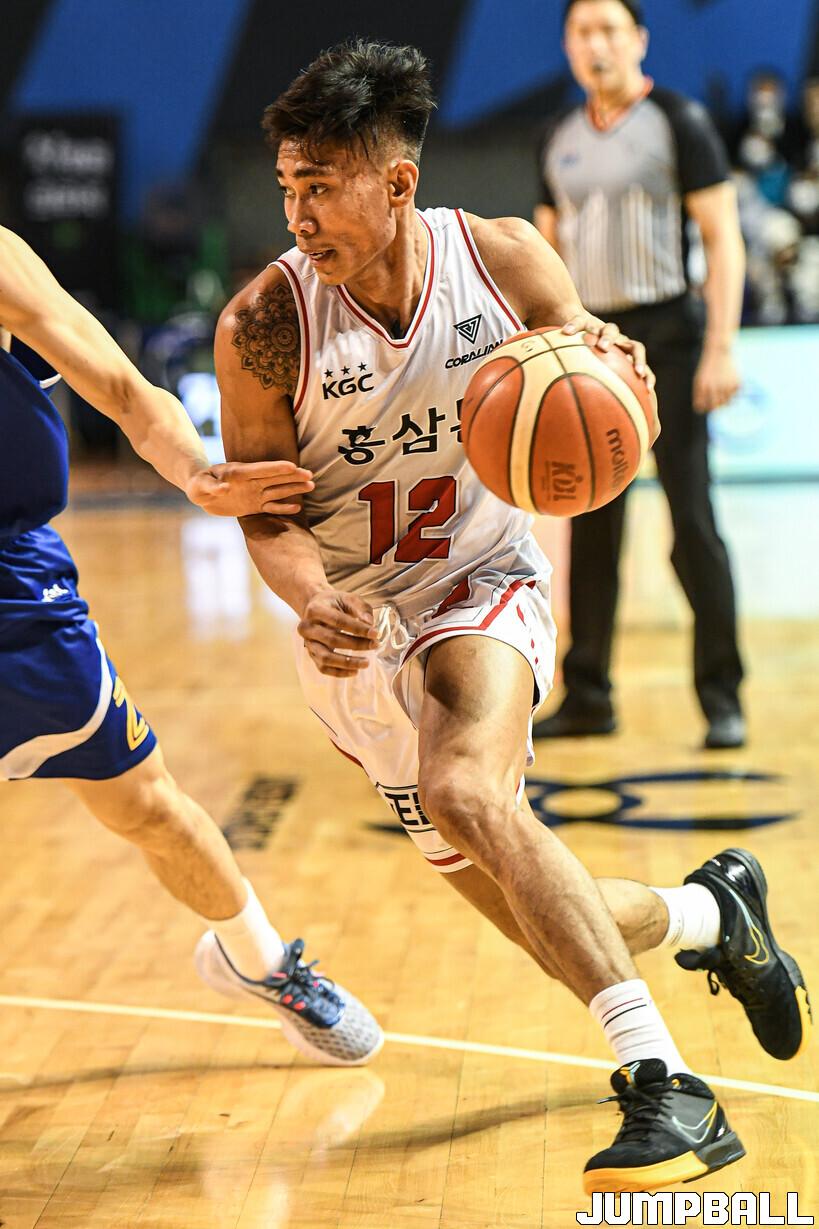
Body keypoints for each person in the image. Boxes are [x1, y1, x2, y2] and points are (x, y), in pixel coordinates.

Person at [215, 40, 809, 1192]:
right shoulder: (265, 327)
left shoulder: (500, 261)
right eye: (287, 187)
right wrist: (313, 596)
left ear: (397, 183)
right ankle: (711, 913)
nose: (297, 215)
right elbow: (267, 513)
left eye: (320, 186)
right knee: (537, 919)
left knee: (464, 788)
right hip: (357, 634)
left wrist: (619, 371)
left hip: (482, 583)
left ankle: (668, 1086)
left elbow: (592, 370)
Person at [0, 225, 382, 1067]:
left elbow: (126, 393)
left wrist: (197, 473)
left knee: (145, 803)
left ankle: (259, 960)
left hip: (13, 598)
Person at [533, 0, 747, 750]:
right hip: (590, 343)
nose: (595, 45)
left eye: (609, 31)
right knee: (589, 526)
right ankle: (588, 692)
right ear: (567, 45)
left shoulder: (679, 121)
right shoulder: (556, 136)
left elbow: (722, 239)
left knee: (692, 523)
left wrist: (720, 346)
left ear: (638, 41)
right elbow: (545, 252)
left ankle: (722, 695)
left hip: (669, 338)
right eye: (581, 32)